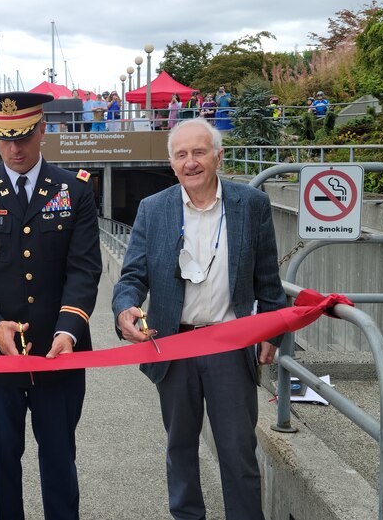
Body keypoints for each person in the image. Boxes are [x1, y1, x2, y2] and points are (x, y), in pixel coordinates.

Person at [112, 118, 286, 520]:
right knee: (180, 448)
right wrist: (125, 309)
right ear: (171, 163)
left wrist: (273, 330)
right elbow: (132, 276)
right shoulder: (153, 209)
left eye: (200, 152)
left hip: (231, 344)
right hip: (173, 345)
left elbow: (269, 282)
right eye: (181, 154)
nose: (191, 162)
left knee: (238, 450)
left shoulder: (250, 206)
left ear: (218, 157)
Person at [0, 91, 102, 520]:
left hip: (59, 356)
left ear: (43, 130)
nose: (14, 148)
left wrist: (68, 330)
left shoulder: (75, 191)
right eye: (4, 137)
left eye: (23, 136)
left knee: (59, 466)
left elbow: (84, 269)